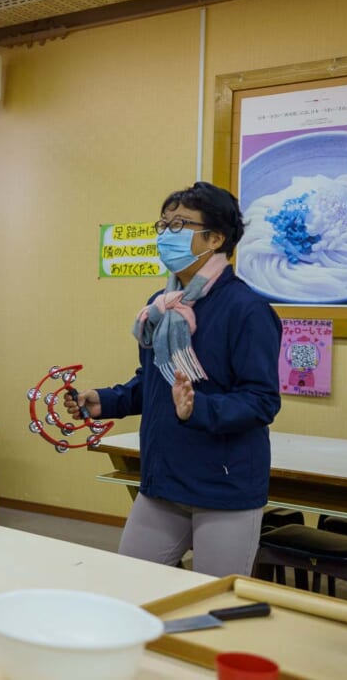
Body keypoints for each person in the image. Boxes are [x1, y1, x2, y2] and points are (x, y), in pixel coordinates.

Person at [65, 181, 281, 578]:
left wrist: (200, 407)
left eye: (179, 225)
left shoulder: (247, 309)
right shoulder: (161, 305)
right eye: (162, 225)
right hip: (163, 480)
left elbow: (261, 400)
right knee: (130, 589)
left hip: (223, 489)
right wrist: (108, 401)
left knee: (212, 605)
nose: (166, 235)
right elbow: (153, 380)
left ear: (215, 238)